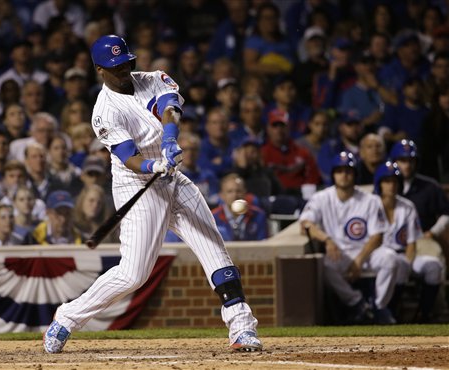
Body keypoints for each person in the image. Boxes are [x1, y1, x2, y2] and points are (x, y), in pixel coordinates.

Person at [43, 35, 262, 354]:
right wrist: (152, 163)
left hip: (172, 178)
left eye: (126, 64)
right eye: (115, 67)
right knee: (134, 274)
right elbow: (128, 156)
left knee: (215, 250)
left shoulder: (153, 78)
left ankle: (242, 328)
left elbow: (168, 108)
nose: (123, 71)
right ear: (99, 70)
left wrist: (170, 141)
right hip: (136, 185)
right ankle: (66, 318)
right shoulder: (103, 111)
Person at [299, 152, 399, 324]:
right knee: (323, 265)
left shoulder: (370, 200)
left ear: (355, 174)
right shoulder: (321, 198)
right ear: (333, 174)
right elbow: (305, 224)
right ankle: (358, 303)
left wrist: (359, 260)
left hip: (366, 253)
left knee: (390, 258)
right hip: (338, 254)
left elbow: (377, 236)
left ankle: (379, 306)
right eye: (339, 171)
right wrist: (327, 240)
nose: (344, 175)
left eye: (348, 171)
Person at [373, 162, 443, 323]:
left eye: (395, 181)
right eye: (387, 181)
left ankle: (424, 316)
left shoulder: (407, 206)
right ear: (379, 183)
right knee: (393, 261)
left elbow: (412, 243)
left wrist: (408, 263)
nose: (391, 185)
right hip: (378, 257)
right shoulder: (370, 205)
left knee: (434, 266)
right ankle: (388, 312)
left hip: (404, 255)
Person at [390, 140, 449, 267]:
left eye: (411, 161)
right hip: (390, 240)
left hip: (422, 238)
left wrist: (433, 232)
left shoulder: (430, 186)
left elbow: (446, 213)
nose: (407, 165)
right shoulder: (385, 185)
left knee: (434, 265)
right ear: (394, 162)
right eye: (402, 161)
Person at [211, 173, 268, 241]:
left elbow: (263, 243)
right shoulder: (212, 218)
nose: (235, 195)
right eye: (230, 191)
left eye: (238, 191)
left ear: (245, 193)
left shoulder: (258, 215)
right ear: (222, 195)